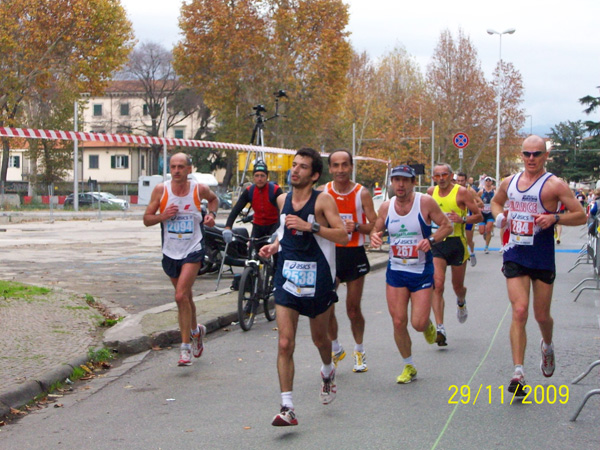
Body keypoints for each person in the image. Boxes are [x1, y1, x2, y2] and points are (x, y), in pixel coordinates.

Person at [259, 147, 348, 427]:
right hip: (288, 278)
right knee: (285, 342)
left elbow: (343, 236)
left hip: (318, 280)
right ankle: (287, 407)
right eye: (294, 165)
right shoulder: (283, 199)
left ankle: (327, 369)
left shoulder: (323, 202)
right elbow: (284, 232)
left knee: (320, 341)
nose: (295, 170)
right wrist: (274, 246)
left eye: (302, 167)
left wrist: (312, 228)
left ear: (315, 175)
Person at [491, 135, 586, 396]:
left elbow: (580, 215)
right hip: (515, 253)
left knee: (541, 315)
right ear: (521, 155)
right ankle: (518, 372)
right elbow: (496, 201)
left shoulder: (554, 185)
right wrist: (500, 217)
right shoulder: (509, 182)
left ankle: (547, 345)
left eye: (537, 154)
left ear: (545, 156)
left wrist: (554, 218)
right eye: (527, 154)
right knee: (519, 310)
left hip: (542, 256)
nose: (531, 158)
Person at [370, 165, 453, 383]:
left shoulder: (424, 202)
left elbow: (447, 226)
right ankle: (409, 366)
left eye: (405, 180)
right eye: (396, 180)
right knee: (398, 322)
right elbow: (376, 228)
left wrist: (432, 240)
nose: (400, 184)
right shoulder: (387, 207)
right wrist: (375, 236)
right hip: (396, 271)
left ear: (413, 182)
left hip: (421, 271)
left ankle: (427, 324)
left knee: (417, 323)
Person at [143, 153, 219, 366]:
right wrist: (162, 216)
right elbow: (146, 219)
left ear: (189, 169)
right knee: (185, 297)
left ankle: (185, 348)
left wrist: (211, 215)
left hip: (193, 248)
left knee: (179, 296)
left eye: (180, 167)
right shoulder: (161, 190)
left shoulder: (198, 189)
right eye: (173, 167)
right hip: (171, 251)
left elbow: (214, 200)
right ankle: (196, 331)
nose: (176, 170)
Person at [321, 149, 377, 373]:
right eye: (336, 165)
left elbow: (375, 223)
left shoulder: (361, 193)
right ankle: (336, 348)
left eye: (345, 165)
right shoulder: (323, 192)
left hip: (353, 253)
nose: (340, 170)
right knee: (326, 308)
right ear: (330, 169)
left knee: (353, 309)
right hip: (330, 253)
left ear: (351, 167)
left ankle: (359, 350)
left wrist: (357, 227)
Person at [427, 164, 482, 346]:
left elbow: (479, 216)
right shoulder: (430, 193)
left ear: (451, 176)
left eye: (445, 175)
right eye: (438, 175)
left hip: (457, 243)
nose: (441, 178)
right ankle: (440, 327)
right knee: (438, 284)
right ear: (433, 178)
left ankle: (461, 300)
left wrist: (463, 219)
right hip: (437, 243)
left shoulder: (462, 192)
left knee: (457, 286)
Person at [225, 160, 283, 239]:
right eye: (257, 175)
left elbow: (283, 212)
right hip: (257, 227)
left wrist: (279, 230)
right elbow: (236, 209)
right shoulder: (249, 191)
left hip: (274, 226)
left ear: (267, 177)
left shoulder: (276, 190)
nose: (259, 179)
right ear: (253, 177)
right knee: (252, 249)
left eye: (262, 176)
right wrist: (228, 228)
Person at [456, 172, 484, 267]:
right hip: (458, 218)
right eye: (458, 181)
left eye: (462, 181)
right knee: (458, 238)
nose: (460, 183)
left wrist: (471, 205)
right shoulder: (454, 190)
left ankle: (472, 252)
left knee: (468, 240)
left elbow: (481, 203)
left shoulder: (470, 191)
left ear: (466, 181)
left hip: (468, 218)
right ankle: (461, 256)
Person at [478, 176, 496, 253]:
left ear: (491, 182)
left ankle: (486, 246)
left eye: (489, 181)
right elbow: (476, 199)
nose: (488, 182)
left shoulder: (494, 192)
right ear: (485, 182)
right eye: (487, 181)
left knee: (488, 229)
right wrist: (478, 207)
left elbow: (497, 201)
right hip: (482, 212)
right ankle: (485, 234)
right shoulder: (481, 191)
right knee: (481, 231)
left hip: (490, 213)